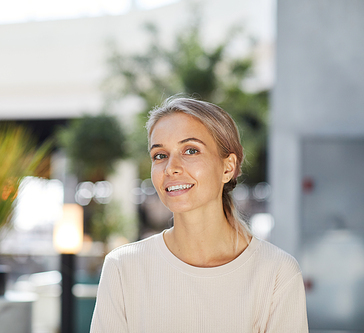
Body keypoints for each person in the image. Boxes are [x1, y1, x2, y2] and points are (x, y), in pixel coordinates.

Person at [90, 96, 308, 332]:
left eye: (190, 150)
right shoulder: (123, 268)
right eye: (160, 155)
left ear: (228, 167)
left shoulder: (276, 273)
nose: (171, 167)